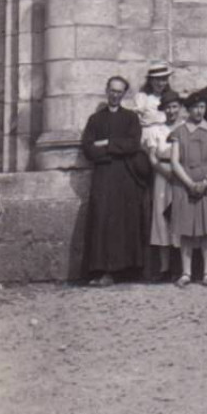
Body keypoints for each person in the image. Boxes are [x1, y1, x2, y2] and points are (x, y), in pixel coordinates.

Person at [80, 75, 147, 285]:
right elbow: (88, 148)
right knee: (101, 220)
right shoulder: (95, 119)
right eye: (112, 90)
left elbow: (133, 144)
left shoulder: (130, 118)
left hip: (125, 177)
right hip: (103, 175)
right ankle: (101, 269)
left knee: (122, 222)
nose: (115, 95)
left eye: (120, 92)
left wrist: (108, 144)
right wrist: (114, 152)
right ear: (106, 90)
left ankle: (121, 270)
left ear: (124, 94)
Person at [168, 93, 207, 287]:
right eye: (195, 107)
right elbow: (175, 161)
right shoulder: (179, 132)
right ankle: (186, 273)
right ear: (188, 110)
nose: (199, 111)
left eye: (202, 107)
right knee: (186, 230)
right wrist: (190, 183)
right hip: (184, 185)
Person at [142, 89, 183, 280]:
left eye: (175, 107)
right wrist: (165, 172)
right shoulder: (156, 131)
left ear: (180, 108)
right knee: (161, 218)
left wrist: (179, 174)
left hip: (182, 176)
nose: (171, 111)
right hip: (162, 176)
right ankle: (164, 268)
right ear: (163, 110)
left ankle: (181, 267)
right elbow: (152, 157)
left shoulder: (185, 128)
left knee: (179, 217)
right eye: (168, 108)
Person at [132, 61, 176, 128]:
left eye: (164, 80)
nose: (160, 83)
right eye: (157, 80)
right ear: (150, 81)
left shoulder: (169, 97)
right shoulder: (143, 97)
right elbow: (136, 120)